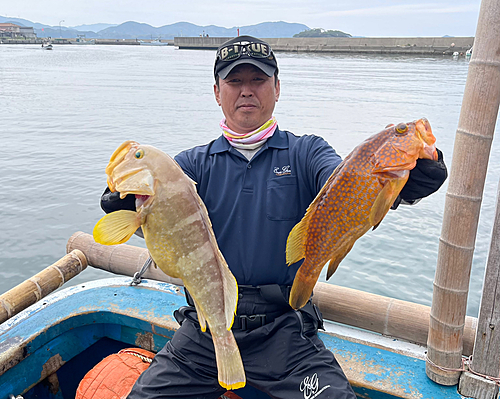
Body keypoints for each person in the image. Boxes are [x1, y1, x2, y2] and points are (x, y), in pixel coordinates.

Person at [101, 36, 447, 399]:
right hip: (205, 329)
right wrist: (122, 200)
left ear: (277, 88)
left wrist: (420, 172)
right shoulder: (188, 166)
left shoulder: (306, 152)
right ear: (217, 92)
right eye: (235, 82)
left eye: (258, 80)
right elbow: (149, 213)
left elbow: (348, 183)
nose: (246, 91)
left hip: (284, 330)